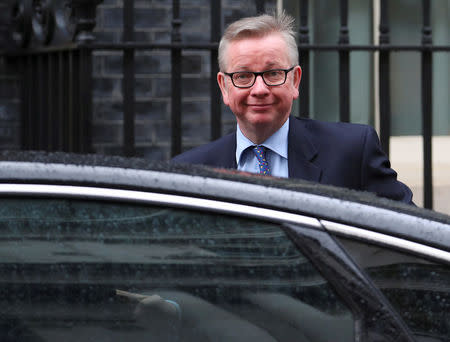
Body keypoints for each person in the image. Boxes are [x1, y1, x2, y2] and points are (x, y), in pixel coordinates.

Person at [172, 12, 413, 204]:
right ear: (224, 87)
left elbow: (410, 233)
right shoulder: (191, 172)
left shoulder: (352, 151)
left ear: (295, 80)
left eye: (273, 73)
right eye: (243, 76)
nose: (259, 89)